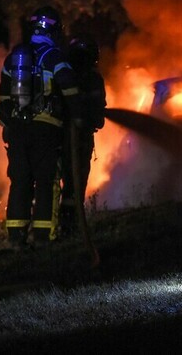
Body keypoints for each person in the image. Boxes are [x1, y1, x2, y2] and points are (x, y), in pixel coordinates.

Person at [0, 6, 82, 249]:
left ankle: (16, 236)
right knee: (46, 181)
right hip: (46, 129)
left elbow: (3, 97)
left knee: (20, 181)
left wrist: (11, 121)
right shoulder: (54, 57)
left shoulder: (14, 59)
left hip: (17, 130)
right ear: (54, 30)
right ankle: (44, 237)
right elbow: (70, 88)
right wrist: (78, 116)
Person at [57, 34, 106, 238]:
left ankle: (55, 225)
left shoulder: (62, 74)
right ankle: (70, 224)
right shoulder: (94, 79)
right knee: (75, 183)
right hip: (80, 139)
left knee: (58, 182)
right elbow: (99, 117)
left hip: (58, 137)